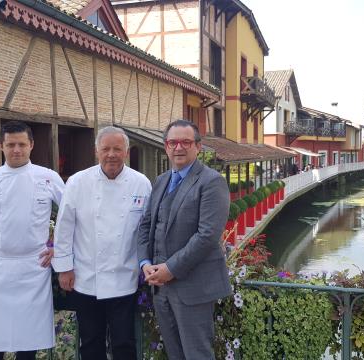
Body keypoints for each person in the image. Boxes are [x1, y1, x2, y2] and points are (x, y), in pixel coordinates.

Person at [0, 121, 65, 360]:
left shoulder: (48, 177)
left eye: (21, 144)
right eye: (10, 145)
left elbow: (71, 215)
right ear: (1, 146)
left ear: (31, 145)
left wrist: (58, 247)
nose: (16, 150)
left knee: (27, 343)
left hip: (34, 268)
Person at [53, 126, 151, 360]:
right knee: (90, 342)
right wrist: (64, 267)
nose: (111, 154)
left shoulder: (141, 183)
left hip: (124, 278)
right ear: (96, 151)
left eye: (117, 149)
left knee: (124, 343)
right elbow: (64, 227)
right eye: (106, 149)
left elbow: (146, 230)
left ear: (127, 152)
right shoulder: (78, 182)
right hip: (87, 277)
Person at [137, 119, 232, 359]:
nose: (179, 147)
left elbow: (208, 235)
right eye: (173, 142)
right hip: (160, 288)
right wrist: (145, 263)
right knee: (175, 354)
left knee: (197, 354)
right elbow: (146, 225)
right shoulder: (160, 181)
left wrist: (171, 268)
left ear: (198, 147)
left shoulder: (211, 182)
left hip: (194, 288)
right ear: (166, 147)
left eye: (186, 142)